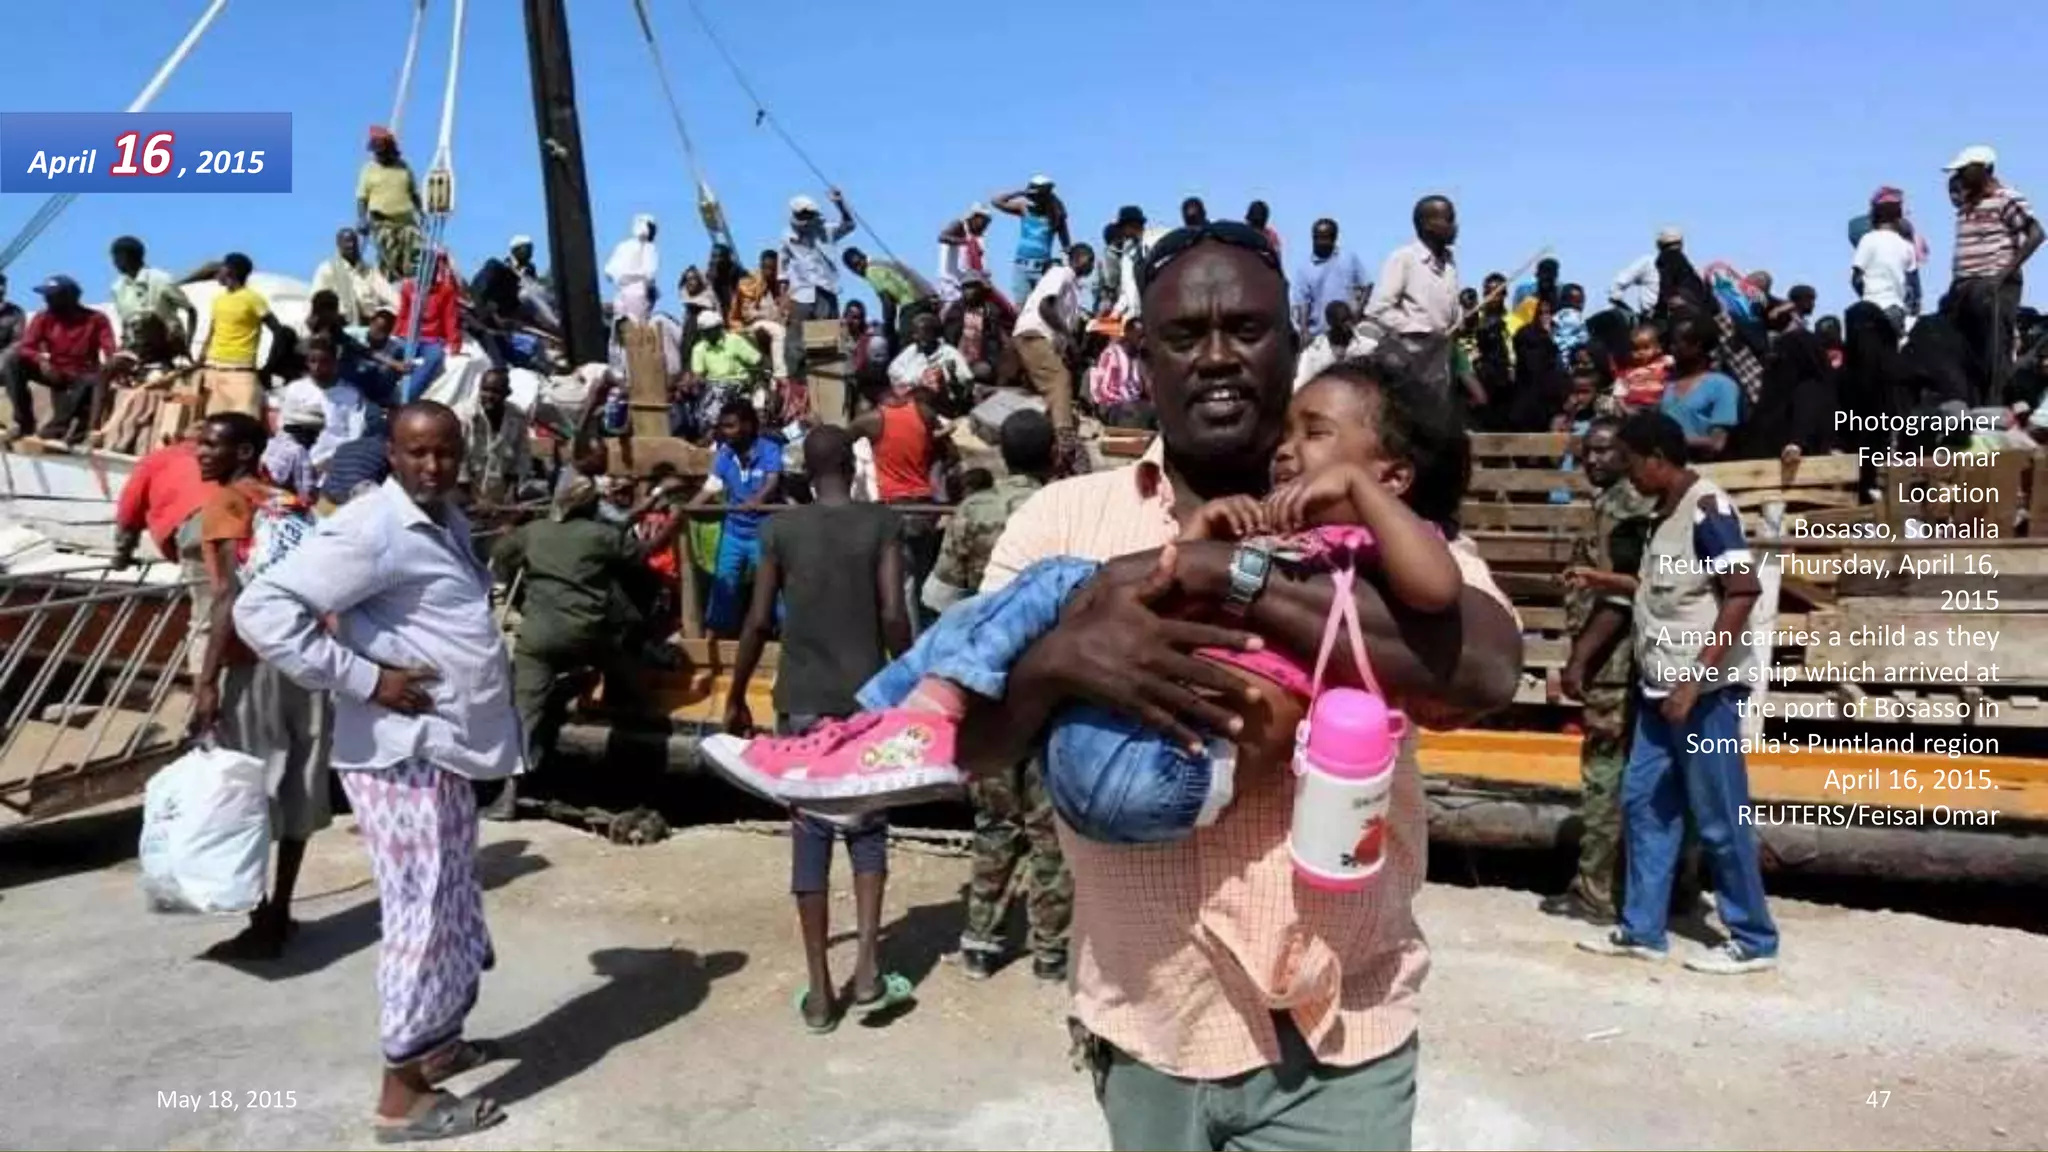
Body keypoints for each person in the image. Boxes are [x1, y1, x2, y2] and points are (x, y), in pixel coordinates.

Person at [711, 230, 1523, 1152]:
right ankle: (865, 733)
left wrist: (1230, 573)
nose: (1217, 355)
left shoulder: (1363, 510)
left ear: (1293, 348)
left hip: (1336, 1043)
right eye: (1185, 335)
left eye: (1248, 328)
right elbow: (980, 749)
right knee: (1038, 612)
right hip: (1146, 1031)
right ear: (1141, 357)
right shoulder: (1061, 516)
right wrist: (1067, 664)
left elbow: (1483, 668)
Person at [236, 402, 519, 1140]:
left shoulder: (441, 519)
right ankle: (401, 1097)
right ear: (391, 454)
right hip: (402, 753)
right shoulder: (373, 527)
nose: (434, 466)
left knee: (453, 902)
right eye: (418, 453)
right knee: (421, 916)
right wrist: (367, 679)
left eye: (446, 453)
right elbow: (263, 609)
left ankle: (436, 1048)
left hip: (441, 749)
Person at [715, 425, 912, 1032]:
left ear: (802, 472)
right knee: (868, 831)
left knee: (810, 835)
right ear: (851, 471)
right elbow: (890, 611)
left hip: (799, 700)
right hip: (863, 701)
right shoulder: (881, 524)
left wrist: (739, 694)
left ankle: (821, 993)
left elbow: (756, 620)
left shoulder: (780, 529)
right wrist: (906, 683)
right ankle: (871, 970)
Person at [1578, 411, 1779, 976]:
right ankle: (1643, 929)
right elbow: (1671, 589)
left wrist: (1695, 680)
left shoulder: (1707, 509)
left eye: (1629, 461)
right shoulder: (1660, 517)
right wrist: (1610, 583)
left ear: (1656, 459)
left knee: (1719, 815)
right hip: (1658, 691)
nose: (1624, 473)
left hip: (1703, 695)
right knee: (1645, 804)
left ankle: (1753, 938)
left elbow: (1741, 590)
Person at [921, 410, 1075, 980]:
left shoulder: (971, 511)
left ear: (1004, 456)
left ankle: (981, 942)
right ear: (1049, 458)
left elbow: (940, 597)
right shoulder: (1064, 512)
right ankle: (1050, 951)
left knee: (993, 820)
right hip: (1046, 685)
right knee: (1047, 826)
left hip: (983, 684)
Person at [187, 411, 329, 961]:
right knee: (298, 785)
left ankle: (260, 920)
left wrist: (206, 681)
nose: (201, 453)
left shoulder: (227, 502)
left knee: (253, 788)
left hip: (258, 659)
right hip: (311, 657)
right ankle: (281, 912)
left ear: (244, 453)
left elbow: (229, 596)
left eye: (212, 445)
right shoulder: (291, 501)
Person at [488, 472, 685, 819]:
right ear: (592, 506)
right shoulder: (598, 536)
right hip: (589, 634)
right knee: (626, 666)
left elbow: (501, 555)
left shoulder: (534, 533)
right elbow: (643, 555)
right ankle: (648, 739)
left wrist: (518, 596)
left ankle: (509, 792)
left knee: (525, 712)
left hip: (539, 637)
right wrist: (674, 523)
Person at [1547, 417, 1656, 924]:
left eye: (1605, 452)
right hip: (1619, 665)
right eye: (1587, 452)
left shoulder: (1622, 507)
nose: (1593, 460)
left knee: (1605, 781)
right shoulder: (1613, 503)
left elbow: (1620, 594)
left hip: (1615, 667)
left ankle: (1597, 891)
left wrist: (1580, 659)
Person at [1945, 145, 2042, 403]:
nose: (1960, 177)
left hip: (1993, 284)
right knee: (1965, 349)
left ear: (1982, 170)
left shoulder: (2006, 198)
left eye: (1964, 171)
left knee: (1995, 348)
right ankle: (1973, 406)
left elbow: (2036, 234)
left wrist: (2001, 276)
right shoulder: (1969, 204)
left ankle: (1995, 408)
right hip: (1965, 284)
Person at [689, 399, 783, 636]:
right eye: (723, 426)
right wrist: (690, 508)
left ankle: (784, 635)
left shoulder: (769, 449)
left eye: (731, 426)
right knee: (724, 584)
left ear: (749, 426)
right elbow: (712, 486)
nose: (725, 431)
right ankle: (717, 636)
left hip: (764, 533)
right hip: (734, 532)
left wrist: (757, 500)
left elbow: (772, 481)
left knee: (773, 587)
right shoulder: (724, 454)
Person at [1362, 196, 1460, 391]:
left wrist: (1459, 319)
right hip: (1409, 361)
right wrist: (1420, 330)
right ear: (1427, 225)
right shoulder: (1404, 259)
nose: (1454, 226)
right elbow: (1377, 309)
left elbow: (1448, 312)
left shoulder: (1449, 264)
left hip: (1440, 364)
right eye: (1448, 220)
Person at [1012, 244, 1096, 471]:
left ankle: (1051, 440)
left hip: (1043, 339)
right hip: (1034, 333)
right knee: (1059, 379)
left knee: (1054, 387)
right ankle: (1065, 441)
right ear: (1082, 258)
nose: (1091, 266)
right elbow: (1044, 307)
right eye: (1090, 260)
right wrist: (1069, 338)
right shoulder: (1061, 274)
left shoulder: (1074, 291)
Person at [5, 275, 115, 445]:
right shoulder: (44, 317)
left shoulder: (96, 319)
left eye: (52, 296)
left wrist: (115, 366)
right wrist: (41, 360)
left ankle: (62, 428)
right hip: (55, 372)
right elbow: (26, 346)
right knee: (13, 360)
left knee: (92, 378)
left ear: (69, 297)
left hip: (83, 375)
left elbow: (110, 350)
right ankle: (24, 422)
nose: (47, 300)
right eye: (46, 296)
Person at [197, 253, 289, 419]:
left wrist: (268, 368)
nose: (218, 272)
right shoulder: (218, 300)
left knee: (244, 426)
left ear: (231, 271)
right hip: (214, 371)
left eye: (222, 267)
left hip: (241, 372)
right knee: (214, 423)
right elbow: (212, 331)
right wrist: (200, 360)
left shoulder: (253, 299)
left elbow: (279, 331)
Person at [112, 425, 214, 570]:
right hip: (234, 523)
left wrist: (122, 553)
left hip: (196, 526)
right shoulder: (226, 459)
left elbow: (129, 510)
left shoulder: (159, 458)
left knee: (208, 588)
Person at [780, 191, 859, 379]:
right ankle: (796, 381)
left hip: (826, 291)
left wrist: (840, 204)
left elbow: (849, 225)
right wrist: (783, 299)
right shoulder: (787, 237)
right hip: (801, 294)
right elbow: (782, 270)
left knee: (828, 340)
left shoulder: (825, 231)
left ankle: (832, 381)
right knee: (795, 341)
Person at [1659, 315, 1741, 459]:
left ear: (1697, 345)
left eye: (1677, 343)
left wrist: (1670, 440)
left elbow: (1717, 443)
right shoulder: (1668, 384)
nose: (1671, 348)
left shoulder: (1722, 386)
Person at [280, 337, 369, 469]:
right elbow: (284, 426)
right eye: (312, 361)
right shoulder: (296, 389)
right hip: (297, 461)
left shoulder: (351, 395)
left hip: (336, 463)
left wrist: (330, 462)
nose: (317, 367)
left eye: (324, 362)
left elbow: (355, 437)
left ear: (334, 362)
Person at [356, 126, 425, 284]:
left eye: (382, 152)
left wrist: (422, 212)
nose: (379, 156)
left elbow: (414, 193)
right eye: (377, 153)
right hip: (382, 223)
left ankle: (410, 289)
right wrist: (362, 218)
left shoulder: (404, 167)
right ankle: (389, 290)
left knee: (414, 258)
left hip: (406, 222)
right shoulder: (368, 170)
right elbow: (362, 198)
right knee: (390, 260)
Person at [685, 313, 767, 439]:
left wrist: (755, 379)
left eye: (710, 330)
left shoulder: (734, 341)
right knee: (698, 404)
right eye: (705, 332)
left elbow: (757, 360)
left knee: (718, 396)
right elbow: (698, 375)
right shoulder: (699, 348)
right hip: (712, 385)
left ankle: (713, 434)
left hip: (738, 383)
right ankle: (706, 434)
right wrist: (694, 384)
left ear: (719, 328)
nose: (707, 334)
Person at [395, 250, 462, 403]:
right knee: (391, 353)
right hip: (408, 335)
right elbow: (402, 315)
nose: (427, 270)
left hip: (432, 339)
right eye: (422, 266)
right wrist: (395, 334)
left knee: (435, 357)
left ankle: (404, 398)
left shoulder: (446, 291)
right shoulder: (408, 288)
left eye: (431, 266)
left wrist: (455, 344)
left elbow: (450, 319)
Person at [994, 176, 1073, 303]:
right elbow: (996, 201)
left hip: (1043, 268)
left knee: (1043, 307)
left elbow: (1067, 245)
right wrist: (1019, 192)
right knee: (1020, 307)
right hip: (1022, 267)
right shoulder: (1023, 207)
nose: (1034, 199)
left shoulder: (1056, 212)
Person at [109, 236, 196, 350]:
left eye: (116, 257)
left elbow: (191, 310)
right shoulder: (117, 288)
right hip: (136, 346)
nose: (114, 262)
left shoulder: (161, 279)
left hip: (166, 344)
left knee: (150, 321)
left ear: (128, 256)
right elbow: (125, 322)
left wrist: (187, 343)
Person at [1291, 217, 1371, 338]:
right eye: (1316, 237)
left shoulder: (1349, 258)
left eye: (1324, 238)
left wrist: (1358, 310)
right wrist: (1304, 330)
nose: (1319, 242)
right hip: (1320, 335)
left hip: (1350, 331)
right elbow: (1303, 304)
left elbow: (1367, 285)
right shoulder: (1304, 269)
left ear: (1334, 238)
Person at [462, 366, 531, 506]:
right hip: (466, 498)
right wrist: (476, 499)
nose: (489, 396)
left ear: (507, 393)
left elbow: (521, 458)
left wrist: (512, 491)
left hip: (497, 498)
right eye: (485, 389)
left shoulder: (517, 417)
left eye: (495, 392)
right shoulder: (464, 416)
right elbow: (459, 466)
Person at [845, 246, 938, 342]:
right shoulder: (882, 262)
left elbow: (888, 303)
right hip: (929, 298)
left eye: (858, 264)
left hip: (913, 303)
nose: (859, 269)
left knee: (905, 344)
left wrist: (888, 329)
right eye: (855, 267)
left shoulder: (871, 271)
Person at [313, 227, 399, 328]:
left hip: (368, 326)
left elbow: (389, 294)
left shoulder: (369, 271)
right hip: (340, 326)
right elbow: (316, 301)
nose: (351, 245)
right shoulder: (327, 269)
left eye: (354, 242)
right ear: (338, 245)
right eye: (347, 242)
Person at [729, 249, 788, 383]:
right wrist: (771, 316)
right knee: (778, 331)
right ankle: (780, 375)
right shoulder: (750, 282)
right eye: (765, 268)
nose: (769, 272)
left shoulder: (782, 285)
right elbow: (748, 314)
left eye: (772, 269)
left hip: (777, 325)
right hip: (749, 326)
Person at [942, 270, 1011, 385]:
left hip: (981, 362)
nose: (969, 291)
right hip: (957, 360)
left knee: (984, 371)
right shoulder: (955, 310)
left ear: (981, 289)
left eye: (973, 287)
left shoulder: (991, 310)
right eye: (966, 288)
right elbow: (949, 338)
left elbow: (998, 338)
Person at [886, 312, 972, 402]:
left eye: (920, 333)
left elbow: (966, 379)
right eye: (914, 333)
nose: (915, 337)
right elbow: (893, 370)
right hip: (911, 398)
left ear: (933, 334)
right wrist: (917, 379)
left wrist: (945, 378)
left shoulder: (949, 353)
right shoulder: (913, 349)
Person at [1294, 300, 1379, 391]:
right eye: (1342, 322)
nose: (1346, 325)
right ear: (1330, 323)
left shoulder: (1367, 347)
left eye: (1348, 319)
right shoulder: (1314, 352)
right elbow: (1300, 385)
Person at [263, 385, 325, 502]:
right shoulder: (298, 451)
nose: (316, 439)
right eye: (315, 434)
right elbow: (307, 494)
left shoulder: (269, 443)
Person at [1089, 318, 1151, 428]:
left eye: (1145, 337)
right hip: (1112, 406)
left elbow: (1145, 388)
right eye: (1140, 337)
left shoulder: (1138, 357)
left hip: (1133, 403)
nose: (1144, 341)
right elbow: (1104, 392)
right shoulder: (1112, 354)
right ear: (1128, 335)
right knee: (1133, 413)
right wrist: (1128, 402)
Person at [1609, 227, 1681, 317]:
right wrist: (1624, 308)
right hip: (1653, 320)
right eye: (1669, 245)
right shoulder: (1648, 263)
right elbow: (1617, 284)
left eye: (1676, 244)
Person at [936, 203, 997, 305]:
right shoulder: (959, 225)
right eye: (984, 222)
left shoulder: (977, 238)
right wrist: (965, 242)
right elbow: (942, 237)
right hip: (950, 283)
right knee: (951, 308)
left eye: (988, 223)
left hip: (969, 284)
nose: (986, 226)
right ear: (975, 217)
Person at [605, 214, 661, 324]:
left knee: (635, 324)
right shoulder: (624, 246)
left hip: (637, 289)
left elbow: (650, 272)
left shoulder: (648, 247)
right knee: (622, 324)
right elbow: (609, 271)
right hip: (625, 291)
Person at [1097, 206, 1149, 322]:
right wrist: (1115, 312)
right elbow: (1127, 288)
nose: (1121, 232)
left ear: (1131, 225)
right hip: (1133, 315)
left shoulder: (1151, 244)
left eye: (1122, 227)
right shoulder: (1127, 253)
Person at [1616, 323, 1673, 409]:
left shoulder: (1664, 361)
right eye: (1636, 349)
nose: (1641, 352)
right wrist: (1626, 409)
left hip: (1658, 404)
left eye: (1646, 348)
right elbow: (1619, 394)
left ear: (1657, 348)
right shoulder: (1626, 371)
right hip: (1634, 406)